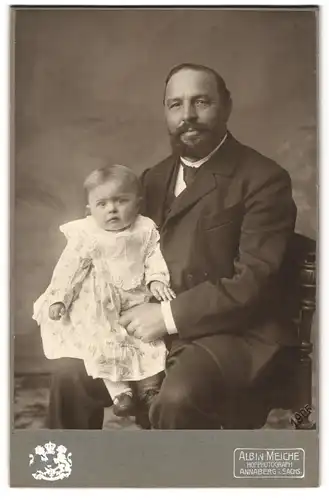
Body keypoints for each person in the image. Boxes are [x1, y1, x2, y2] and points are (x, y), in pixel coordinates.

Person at [47, 63, 297, 429]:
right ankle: (63, 479)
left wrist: (164, 317)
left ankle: (180, 483)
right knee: (69, 374)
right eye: (175, 105)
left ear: (226, 107)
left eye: (201, 102)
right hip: (156, 328)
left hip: (234, 333)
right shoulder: (153, 178)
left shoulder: (263, 179)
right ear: (166, 112)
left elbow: (253, 283)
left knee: (176, 397)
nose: (188, 116)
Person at [33, 164, 175, 419]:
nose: (112, 209)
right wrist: (59, 298)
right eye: (102, 204)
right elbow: (69, 270)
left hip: (134, 299)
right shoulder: (87, 234)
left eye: (121, 201)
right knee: (102, 344)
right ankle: (120, 392)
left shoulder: (144, 230)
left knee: (146, 340)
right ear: (90, 210)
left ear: (138, 204)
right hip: (98, 304)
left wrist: (156, 280)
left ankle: (149, 388)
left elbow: (154, 257)